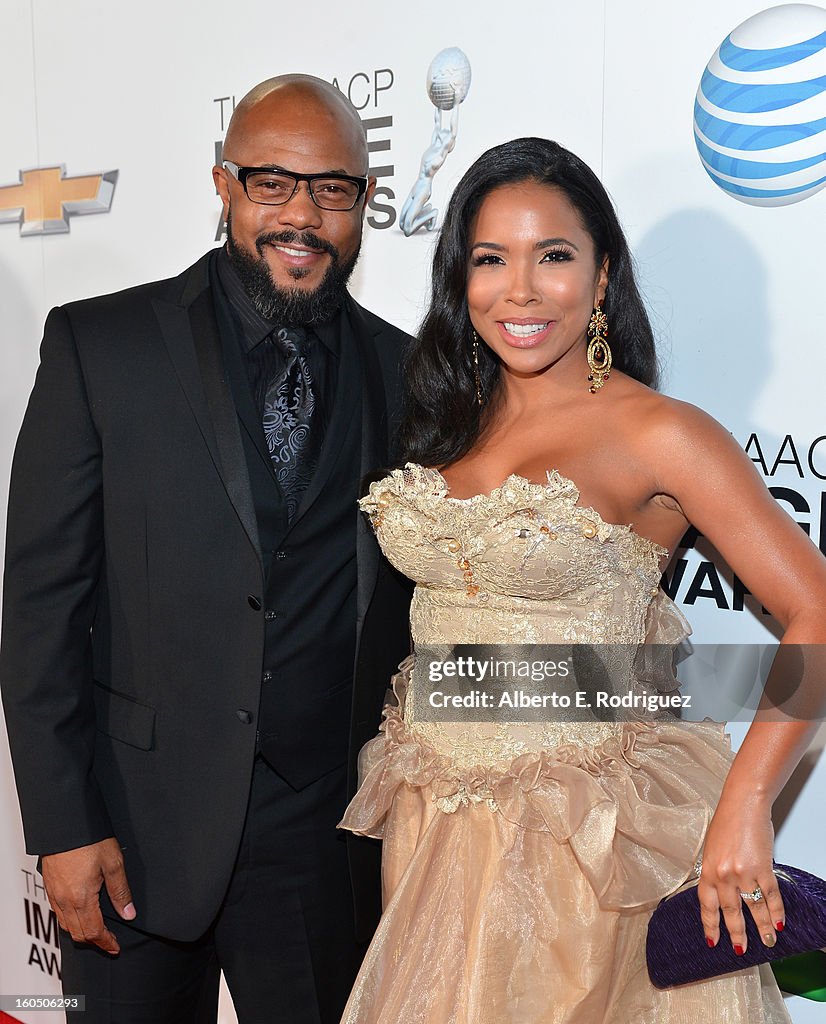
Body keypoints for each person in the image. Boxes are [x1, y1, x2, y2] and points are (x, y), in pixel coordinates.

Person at [337, 137, 826, 1022]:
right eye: (491, 259)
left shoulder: (658, 432)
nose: (519, 289)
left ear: (602, 278)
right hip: (434, 834)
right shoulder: (445, 420)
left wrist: (748, 803)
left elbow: (816, 609)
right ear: (461, 278)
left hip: (594, 852)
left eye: (552, 256)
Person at [0, 75, 412, 1024]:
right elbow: (42, 613)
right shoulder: (99, 347)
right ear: (222, 184)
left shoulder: (406, 372)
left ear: (362, 207)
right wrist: (62, 829)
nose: (302, 215)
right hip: (131, 834)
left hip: (322, 845)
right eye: (272, 183)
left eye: (333, 190)